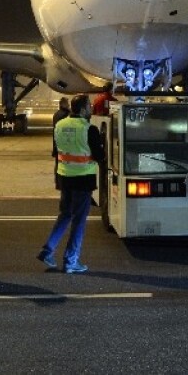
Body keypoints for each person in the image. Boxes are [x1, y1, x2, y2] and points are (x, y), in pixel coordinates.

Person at [37, 93, 105, 273]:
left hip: (64, 177)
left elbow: (56, 151)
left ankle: (48, 249)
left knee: (65, 214)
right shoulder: (88, 129)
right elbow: (99, 156)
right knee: (79, 221)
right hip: (82, 179)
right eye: (89, 106)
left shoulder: (59, 125)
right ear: (83, 109)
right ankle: (71, 261)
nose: (91, 109)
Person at [50, 96, 71, 187]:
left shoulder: (56, 114)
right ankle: (62, 183)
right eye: (67, 103)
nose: (69, 105)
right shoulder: (65, 115)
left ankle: (58, 182)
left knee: (58, 164)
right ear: (64, 104)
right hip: (64, 144)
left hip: (57, 143)